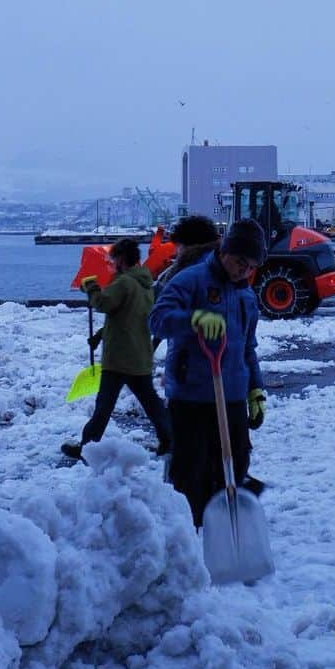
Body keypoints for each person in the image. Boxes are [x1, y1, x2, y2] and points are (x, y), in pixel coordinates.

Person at [149, 218, 267, 527]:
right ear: (226, 251)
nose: (244, 270)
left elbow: (247, 348)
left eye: (251, 266)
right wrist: (194, 319)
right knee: (191, 470)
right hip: (190, 395)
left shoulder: (247, 297)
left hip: (232, 396)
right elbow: (158, 319)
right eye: (240, 261)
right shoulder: (191, 280)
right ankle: (190, 532)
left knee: (235, 463)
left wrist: (256, 389)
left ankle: (221, 528)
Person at [62, 237, 170, 461]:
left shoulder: (123, 283)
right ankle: (170, 440)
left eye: (113, 259)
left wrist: (90, 287)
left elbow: (103, 304)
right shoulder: (145, 284)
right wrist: (100, 335)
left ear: (121, 258)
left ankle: (87, 447)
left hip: (119, 358)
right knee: (151, 403)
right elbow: (126, 317)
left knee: (104, 405)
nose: (111, 263)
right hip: (139, 356)